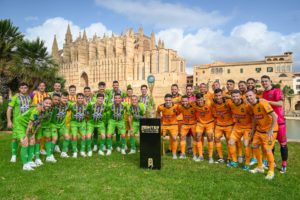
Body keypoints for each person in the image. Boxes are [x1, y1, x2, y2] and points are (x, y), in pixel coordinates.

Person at [246, 90, 278, 180]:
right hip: (260, 130)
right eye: (247, 97)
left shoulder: (263, 102)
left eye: (250, 95)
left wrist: (271, 129)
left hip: (270, 130)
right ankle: (260, 167)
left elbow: (275, 116)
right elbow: (256, 118)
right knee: (254, 146)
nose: (249, 98)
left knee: (268, 150)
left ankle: (271, 171)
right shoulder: (251, 106)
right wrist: (253, 130)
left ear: (255, 95)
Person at [13, 97, 53, 170]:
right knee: (25, 142)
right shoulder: (36, 110)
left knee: (32, 141)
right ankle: (25, 165)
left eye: (50, 103)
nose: (48, 105)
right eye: (46, 103)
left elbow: (39, 123)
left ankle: (30, 161)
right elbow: (30, 124)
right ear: (43, 102)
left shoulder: (46, 111)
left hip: (29, 124)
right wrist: (26, 136)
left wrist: (34, 134)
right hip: (20, 124)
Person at [261, 75, 288, 173]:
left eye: (266, 81)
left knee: (283, 144)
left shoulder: (277, 91)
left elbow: (280, 103)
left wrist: (267, 102)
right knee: (270, 145)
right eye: (262, 81)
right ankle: (271, 163)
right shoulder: (263, 93)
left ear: (270, 81)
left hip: (280, 122)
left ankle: (284, 164)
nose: (264, 83)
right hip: (269, 123)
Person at [227, 90, 253, 170]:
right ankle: (234, 161)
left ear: (241, 96)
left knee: (246, 144)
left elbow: (254, 116)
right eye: (233, 96)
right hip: (237, 127)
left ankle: (247, 163)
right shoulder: (231, 104)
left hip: (248, 127)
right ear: (231, 97)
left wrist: (254, 129)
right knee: (230, 142)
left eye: (237, 96)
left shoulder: (247, 105)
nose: (235, 98)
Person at [7, 82, 31, 162]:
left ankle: (26, 153)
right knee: (14, 138)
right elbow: (9, 109)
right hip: (17, 122)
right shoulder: (15, 97)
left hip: (26, 121)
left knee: (26, 137)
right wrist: (9, 121)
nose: (24, 89)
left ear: (27, 89)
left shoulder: (29, 98)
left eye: (25, 88)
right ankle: (13, 155)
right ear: (19, 89)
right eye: (22, 88)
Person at [212, 89, 234, 163]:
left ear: (222, 95)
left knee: (229, 141)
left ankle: (229, 157)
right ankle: (221, 157)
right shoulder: (213, 103)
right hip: (219, 125)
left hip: (229, 125)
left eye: (219, 95)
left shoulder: (228, 102)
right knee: (216, 139)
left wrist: (227, 96)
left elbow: (236, 99)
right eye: (216, 96)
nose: (218, 97)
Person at [192, 93, 215, 163]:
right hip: (200, 123)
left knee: (210, 137)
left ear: (203, 99)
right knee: (198, 137)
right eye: (198, 100)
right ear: (196, 100)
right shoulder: (194, 104)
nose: (200, 101)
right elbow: (185, 102)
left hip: (209, 123)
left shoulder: (209, 103)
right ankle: (200, 155)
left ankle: (210, 157)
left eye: (201, 100)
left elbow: (216, 102)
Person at [157, 94, 179, 159]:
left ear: (172, 100)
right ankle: (162, 152)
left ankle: (174, 154)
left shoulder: (176, 106)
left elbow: (179, 112)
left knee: (174, 138)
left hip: (173, 124)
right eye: (166, 100)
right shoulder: (160, 106)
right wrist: (160, 118)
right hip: (164, 124)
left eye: (169, 100)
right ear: (164, 100)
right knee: (160, 137)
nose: (168, 101)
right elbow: (158, 112)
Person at [51, 92, 72, 158]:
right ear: (60, 98)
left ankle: (63, 152)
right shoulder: (55, 104)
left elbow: (76, 104)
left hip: (62, 125)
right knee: (54, 138)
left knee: (67, 137)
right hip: (53, 124)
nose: (65, 99)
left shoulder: (68, 105)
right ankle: (50, 154)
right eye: (63, 98)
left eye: (66, 98)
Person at [69, 93, 87, 158]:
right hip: (74, 123)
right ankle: (75, 151)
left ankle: (82, 151)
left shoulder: (86, 105)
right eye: (79, 98)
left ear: (83, 99)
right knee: (74, 137)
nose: (80, 99)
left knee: (84, 136)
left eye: (81, 98)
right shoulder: (72, 105)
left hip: (82, 123)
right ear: (76, 99)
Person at [185, 84, 195, 154]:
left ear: (192, 90)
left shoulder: (195, 98)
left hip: (193, 119)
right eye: (187, 89)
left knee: (194, 134)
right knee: (188, 135)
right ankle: (189, 148)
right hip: (186, 119)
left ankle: (196, 147)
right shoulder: (184, 98)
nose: (189, 91)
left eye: (190, 89)